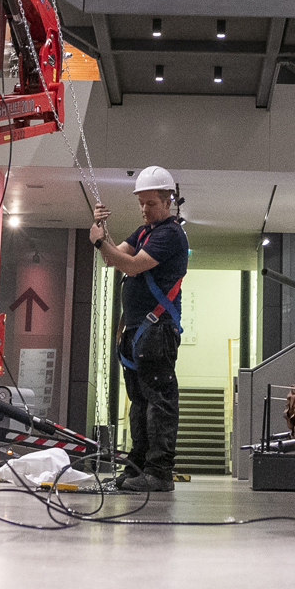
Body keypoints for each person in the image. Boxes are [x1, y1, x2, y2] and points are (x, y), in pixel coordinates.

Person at [89, 165, 187, 494]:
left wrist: (100, 240)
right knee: (140, 401)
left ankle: (158, 472)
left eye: (151, 203)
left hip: (156, 330)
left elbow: (130, 265)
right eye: (141, 203)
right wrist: (103, 232)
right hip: (138, 331)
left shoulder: (170, 234)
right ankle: (139, 466)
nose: (145, 209)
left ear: (169, 200)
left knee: (158, 401)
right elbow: (114, 257)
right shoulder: (144, 232)